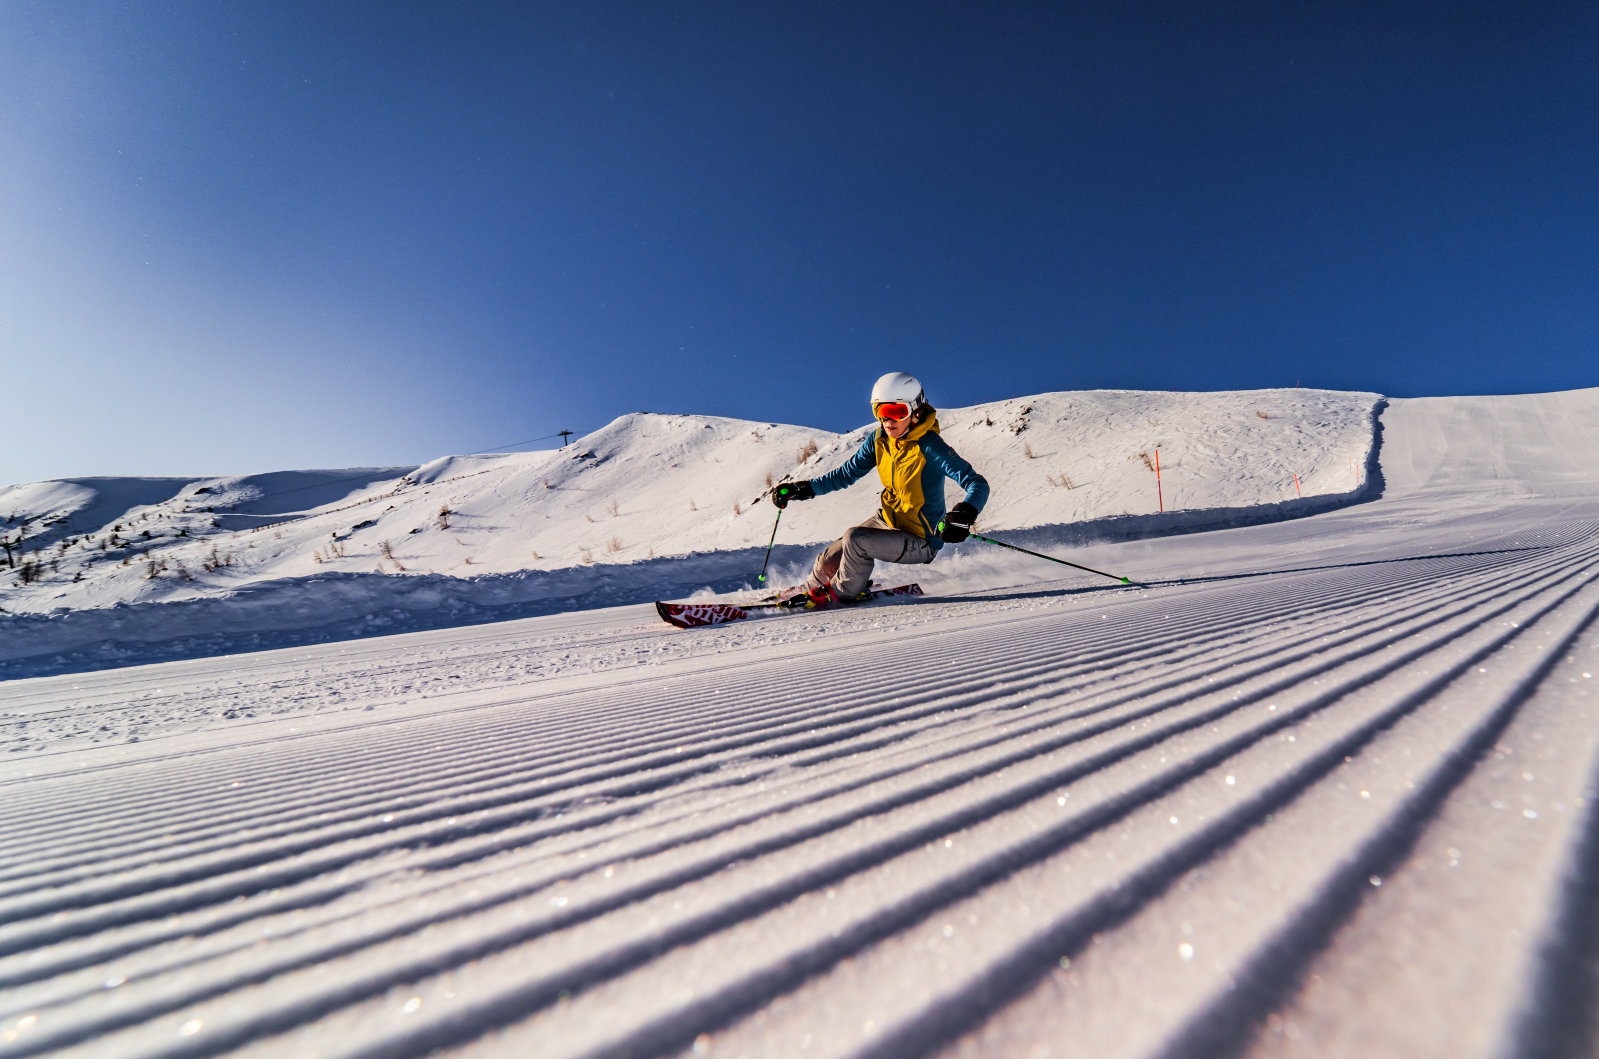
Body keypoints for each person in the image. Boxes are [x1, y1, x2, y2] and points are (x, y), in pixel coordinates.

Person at [768, 371, 989, 607]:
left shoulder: (929, 446)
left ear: (915, 411)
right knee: (829, 559)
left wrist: (965, 513)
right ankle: (809, 589)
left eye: (897, 412)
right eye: (881, 412)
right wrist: (802, 489)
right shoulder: (879, 440)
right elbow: (846, 474)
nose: (888, 421)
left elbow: (976, 482)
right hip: (886, 522)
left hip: (921, 538)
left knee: (856, 540)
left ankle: (840, 593)